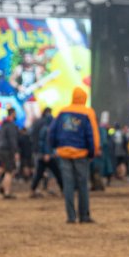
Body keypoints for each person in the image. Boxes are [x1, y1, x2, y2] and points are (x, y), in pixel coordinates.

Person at [49, 87, 96, 223]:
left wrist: (55, 147)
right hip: (81, 153)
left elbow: (52, 131)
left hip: (64, 152)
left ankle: (71, 217)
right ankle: (84, 216)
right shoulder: (87, 112)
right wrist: (92, 152)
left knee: (68, 185)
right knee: (82, 185)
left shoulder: (63, 111)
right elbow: (91, 134)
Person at [29, 108, 63, 197]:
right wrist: (47, 153)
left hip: (43, 154)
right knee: (56, 173)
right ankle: (62, 190)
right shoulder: (48, 129)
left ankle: (34, 189)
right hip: (47, 156)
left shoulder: (41, 126)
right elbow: (45, 142)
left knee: (40, 174)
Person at [0, 109, 19, 198]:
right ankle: (7, 192)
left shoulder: (4, 124)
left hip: (1, 149)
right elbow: (12, 140)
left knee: (8, 169)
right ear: (13, 114)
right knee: (9, 171)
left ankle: (3, 186)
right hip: (7, 150)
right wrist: (16, 152)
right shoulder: (11, 125)